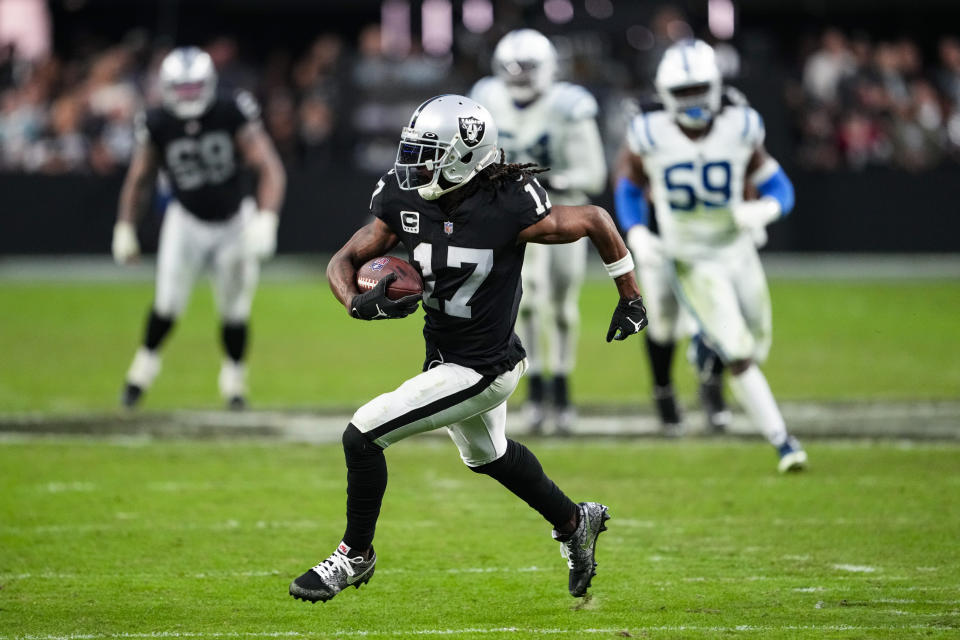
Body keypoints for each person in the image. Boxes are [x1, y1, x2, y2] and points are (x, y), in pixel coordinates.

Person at [289, 95, 647, 603]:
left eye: (427, 152)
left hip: (484, 366)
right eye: (413, 150)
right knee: (489, 455)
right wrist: (355, 303)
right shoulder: (404, 197)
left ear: (464, 156)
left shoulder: (509, 202)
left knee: (363, 435)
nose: (413, 165)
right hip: (445, 355)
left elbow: (593, 218)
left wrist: (630, 296)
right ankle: (574, 521)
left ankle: (354, 555)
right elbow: (343, 260)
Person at [614, 40, 807, 472]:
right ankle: (782, 441)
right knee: (730, 348)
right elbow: (628, 184)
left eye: (699, 88)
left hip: (736, 248)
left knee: (758, 342)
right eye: (682, 91)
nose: (692, 100)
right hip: (687, 254)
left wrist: (766, 208)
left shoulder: (740, 125)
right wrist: (637, 229)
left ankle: (705, 349)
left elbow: (778, 184)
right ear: (665, 93)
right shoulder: (649, 130)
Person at [111, 47, 286, 409]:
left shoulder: (230, 110)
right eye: (182, 88)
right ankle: (140, 373)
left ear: (208, 84)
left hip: (234, 221)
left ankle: (234, 384)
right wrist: (124, 225)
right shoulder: (157, 121)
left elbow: (269, 167)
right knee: (167, 304)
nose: (189, 96)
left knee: (234, 310)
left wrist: (267, 218)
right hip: (186, 220)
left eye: (195, 87)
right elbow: (139, 178)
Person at [469, 29, 607, 435]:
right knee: (525, 301)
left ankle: (562, 386)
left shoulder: (568, 105)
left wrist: (546, 181)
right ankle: (535, 386)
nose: (518, 75)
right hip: (514, 218)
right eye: (511, 67)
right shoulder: (487, 98)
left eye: (527, 67)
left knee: (563, 303)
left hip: (561, 213)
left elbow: (594, 174)